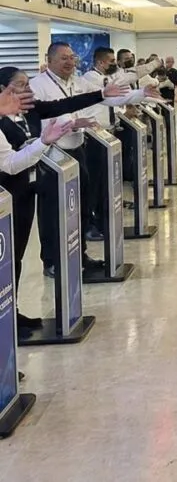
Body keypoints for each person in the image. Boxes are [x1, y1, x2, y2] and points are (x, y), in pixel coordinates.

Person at [0, 66, 127, 334]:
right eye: (20, 85)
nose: (27, 89)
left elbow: (64, 104)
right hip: (6, 195)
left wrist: (100, 94)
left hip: (25, 192)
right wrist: (42, 142)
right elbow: (9, 163)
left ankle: (12, 313)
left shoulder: (30, 110)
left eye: (27, 84)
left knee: (16, 256)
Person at [29, 43, 152, 276]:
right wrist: (71, 124)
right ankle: (52, 261)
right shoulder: (38, 85)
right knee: (53, 211)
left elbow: (106, 99)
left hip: (77, 150)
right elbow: (40, 117)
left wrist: (141, 94)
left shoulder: (77, 82)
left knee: (81, 205)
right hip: (52, 156)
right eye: (63, 58)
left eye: (72, 57)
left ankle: (79, 253)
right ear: (50, 59)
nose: (69, 62)